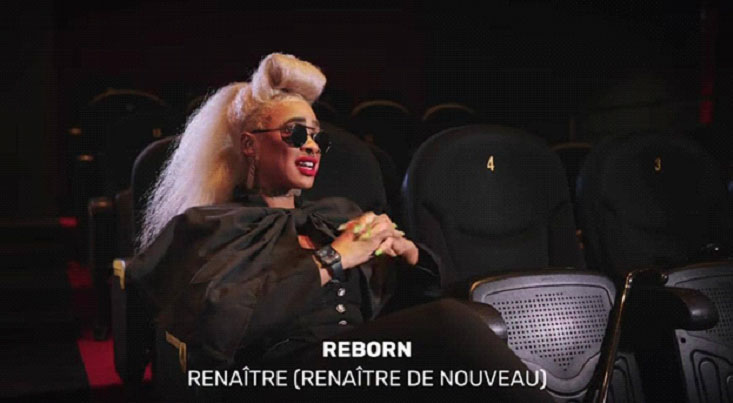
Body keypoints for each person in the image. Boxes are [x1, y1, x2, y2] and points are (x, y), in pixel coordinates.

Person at [129, 53, 553, 402]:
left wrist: (408, 259)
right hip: (278, 375)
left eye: (317, 137)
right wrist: (334, 258)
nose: (312, 146)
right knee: (449, 322)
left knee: (452, 343)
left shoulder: (336, 215)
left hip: (358, 361)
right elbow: (217, 326)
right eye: (296, 134)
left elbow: (398, 309)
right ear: (249, 144)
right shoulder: (209, 225)